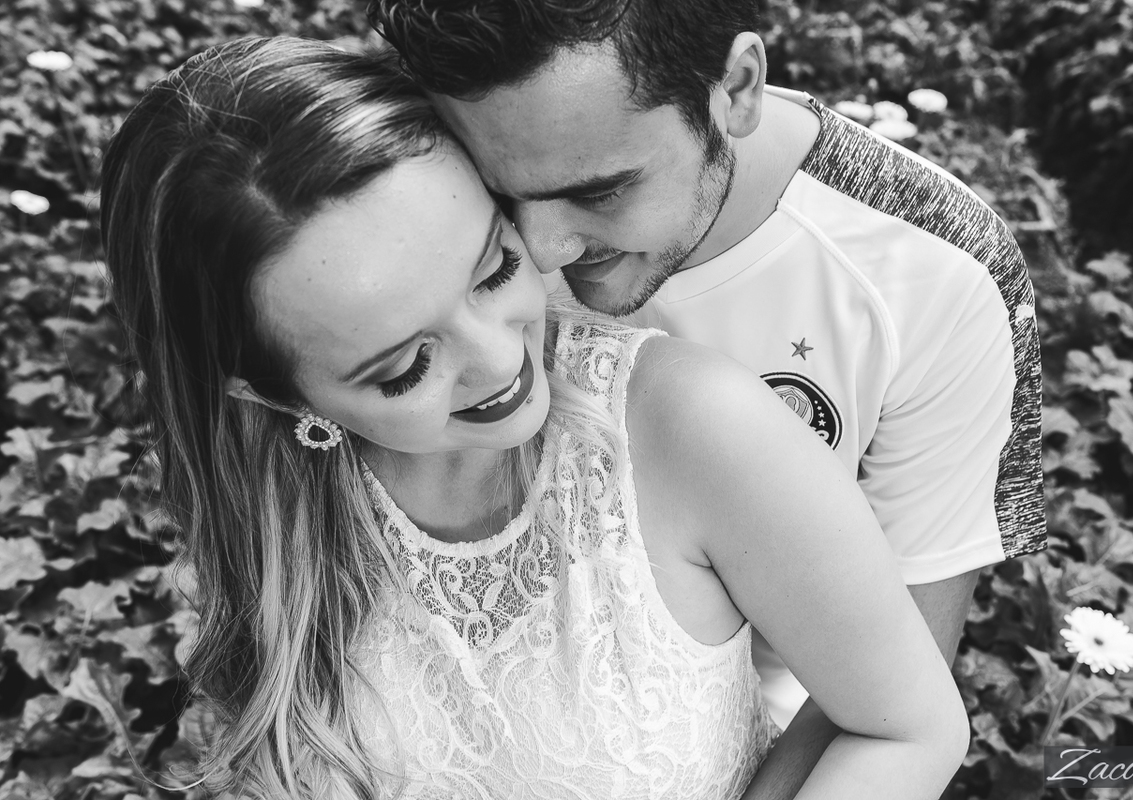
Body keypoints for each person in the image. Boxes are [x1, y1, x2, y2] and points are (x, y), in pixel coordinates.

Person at [101, 37, 967, 800]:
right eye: (405, 368)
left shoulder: (695, 429)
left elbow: (905, 729)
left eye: (493, 270)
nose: (499, 359)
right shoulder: (269, 502)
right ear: (272, 395)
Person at [367, 0, 1047, 785]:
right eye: (498, 191)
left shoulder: (937, 278)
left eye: (602, 191)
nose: (542, 251)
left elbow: (896, 698)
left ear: (739, 87)